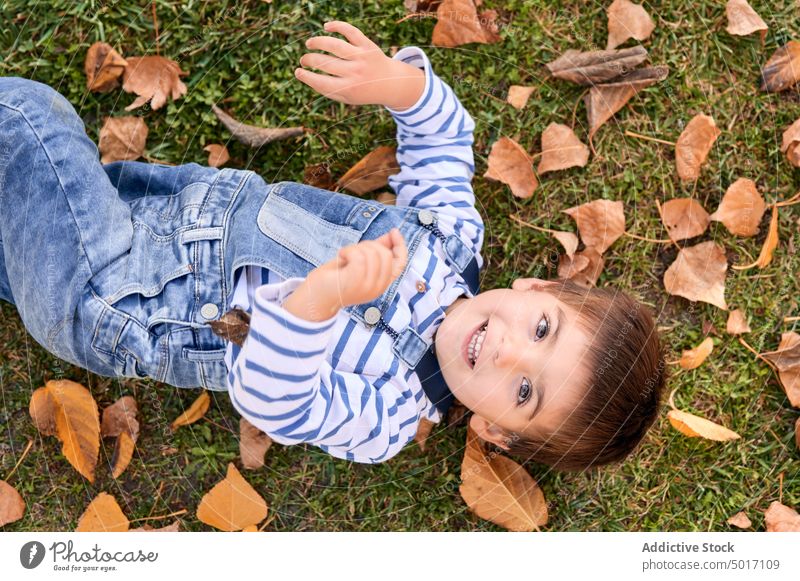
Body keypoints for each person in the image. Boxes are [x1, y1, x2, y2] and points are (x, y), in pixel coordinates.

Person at [0, 21, 665, 472]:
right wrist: (401, 88)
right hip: (156, 200)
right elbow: (442, 143)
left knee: (29, 119)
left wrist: (320, 302)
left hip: (117, 295)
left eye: (523, 389)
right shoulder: (453, 242)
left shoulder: (387, 414)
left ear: (495, 430)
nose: (507, 349)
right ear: (536, 291)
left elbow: (276, 403)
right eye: (542, 329)